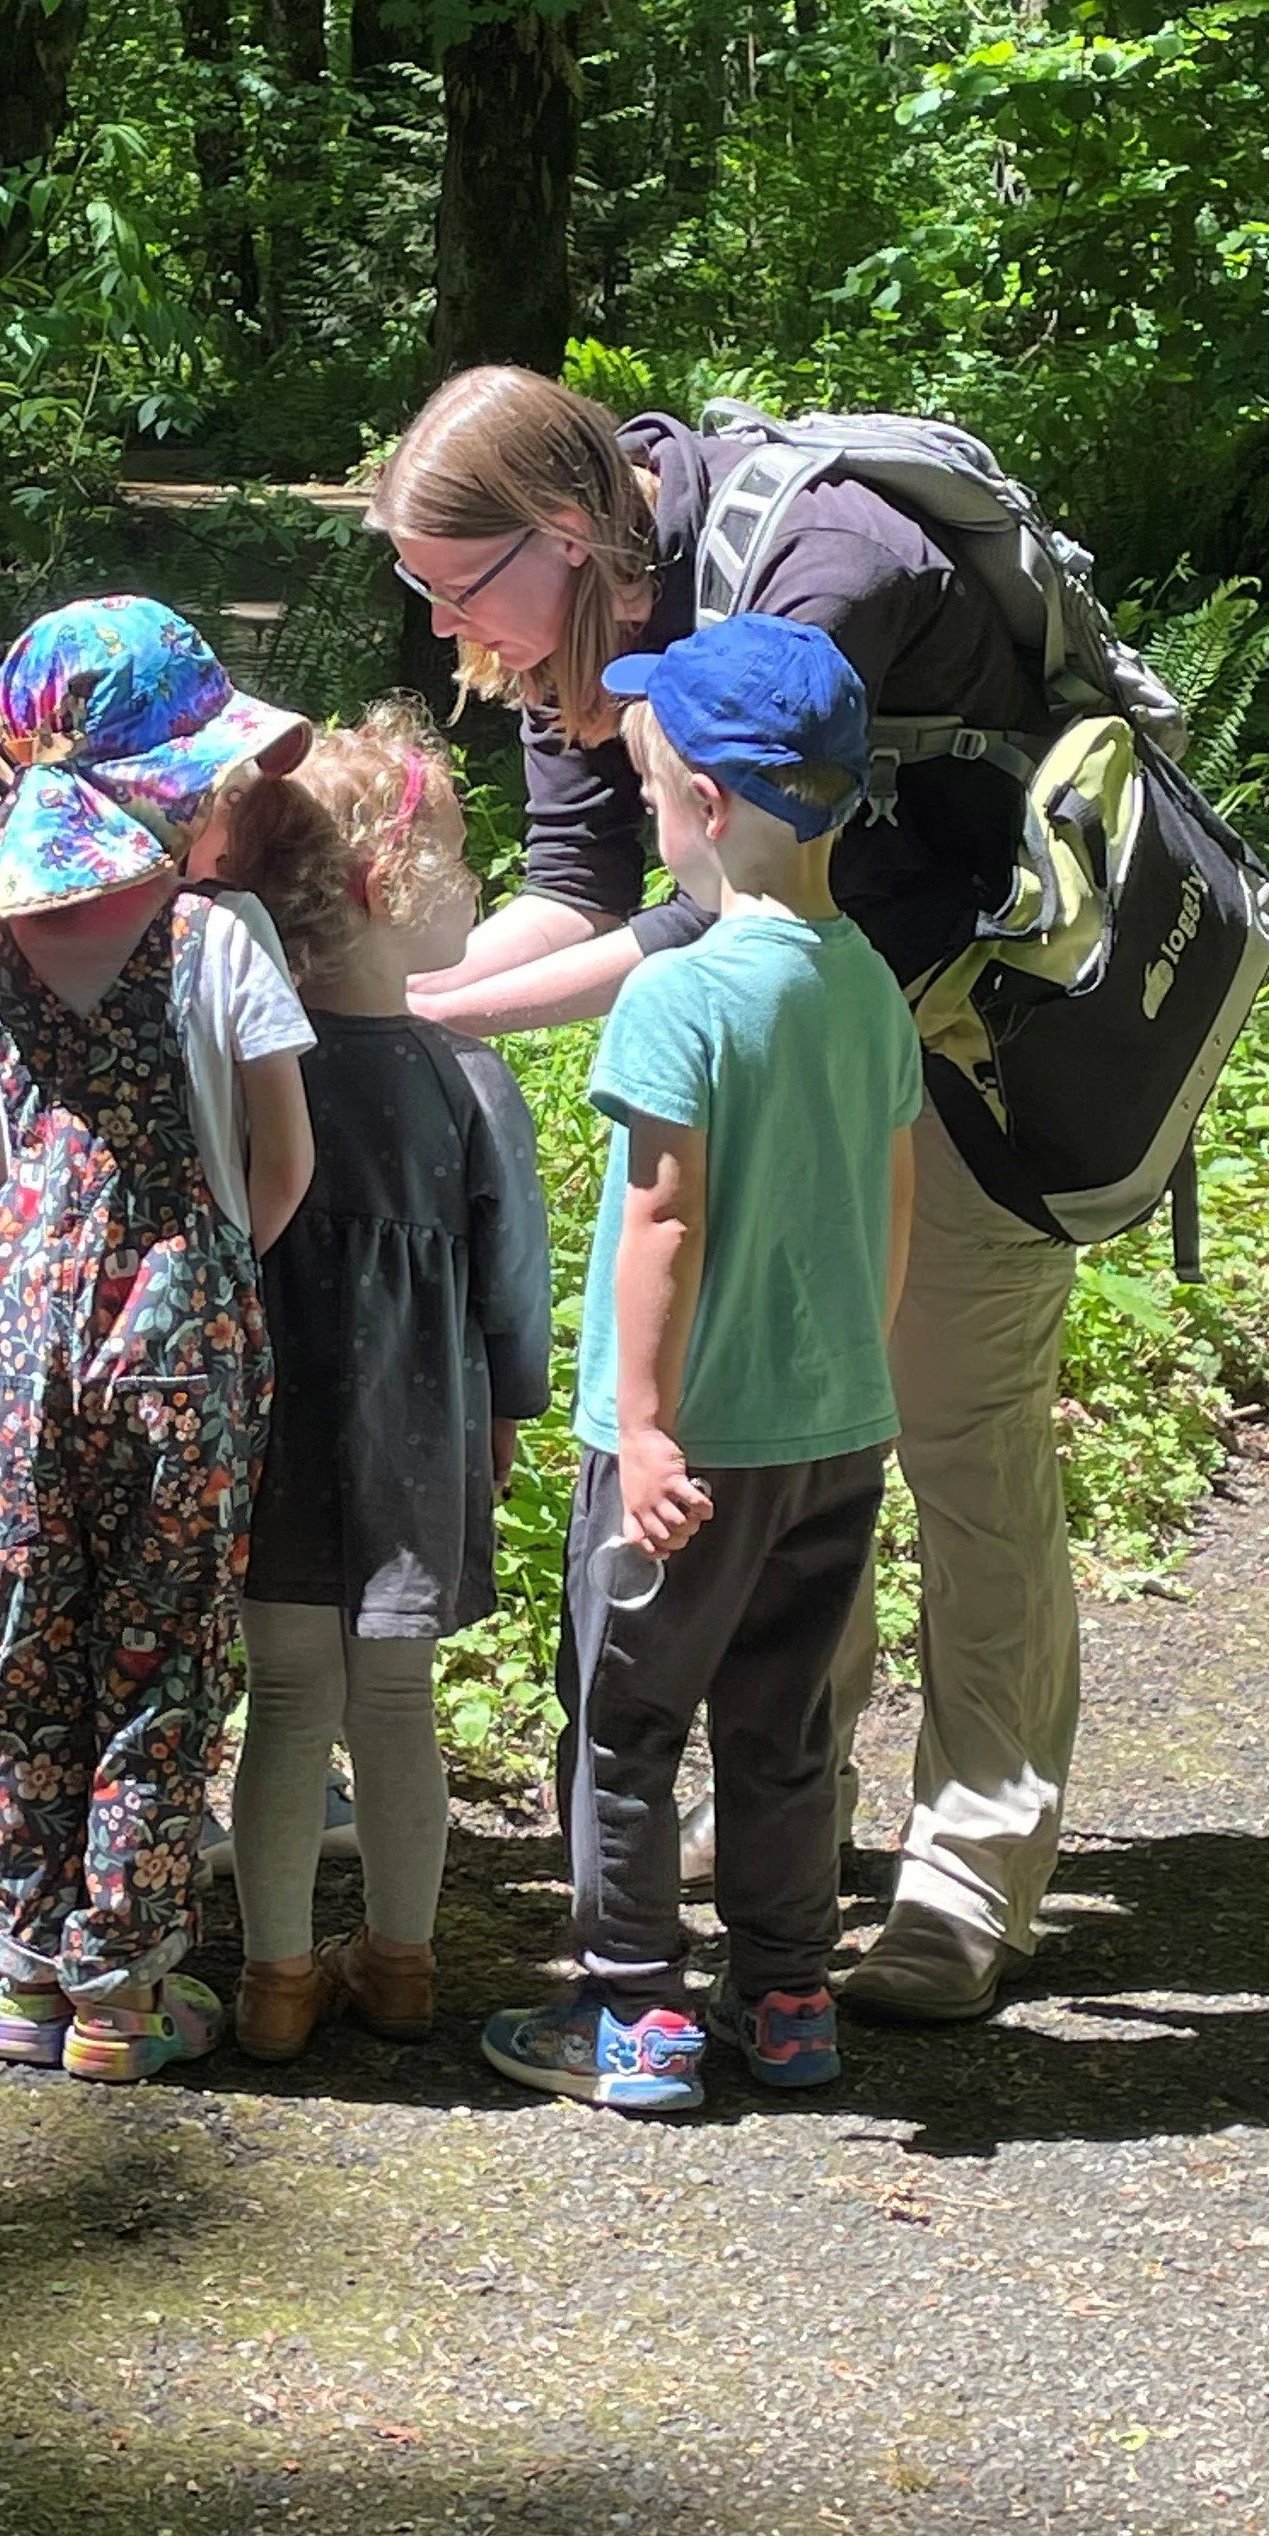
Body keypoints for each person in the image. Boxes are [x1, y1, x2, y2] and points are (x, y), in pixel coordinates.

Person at [380, 366, 1078, 2024]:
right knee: (783, 1447)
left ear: (564, 531)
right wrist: (379, 1009)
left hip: (953, 1062)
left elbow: (724, 904)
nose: (439, 632)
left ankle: (971, 1876)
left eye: (451, 590)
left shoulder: (817, 567)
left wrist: (428, 1019)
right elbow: (576, 891)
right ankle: (796, 1845)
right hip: (780, 1078)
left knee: (955, 1443)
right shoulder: (573, 634)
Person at [480, 616, 919, 2112]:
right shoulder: (866, 980)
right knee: (784, 1725)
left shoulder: (680, 991)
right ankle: (790, 1997)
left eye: (655, 791)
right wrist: (861, 1373)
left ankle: (634, 2015)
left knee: (626, 1722)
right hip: (834, 1429)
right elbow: (895, 1192)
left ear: (707, 814)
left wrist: (649, 1428)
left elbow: (662, 1213)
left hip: (684, 1450)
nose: (652, 818)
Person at [0, 596, 317, 2084]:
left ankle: (20, 1975)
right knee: (163, 1661)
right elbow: (280, 1168)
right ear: (157, 785)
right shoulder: (219, 937)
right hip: (184, 1335)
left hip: (23, 1338)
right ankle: (122, 1996)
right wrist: (198, 1281)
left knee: (35, 1641)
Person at [209, 707, 552, 2061]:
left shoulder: (250, 1080)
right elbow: (509, 1276)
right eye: (458, 861)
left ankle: (278, 1979)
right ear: (382, 886)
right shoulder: (462, 1080)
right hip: (417, 1434)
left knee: (285, 1699)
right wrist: (510, 1412)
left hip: (275, 1437)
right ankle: (401, 1965)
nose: (473, 884)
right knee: (393, 1703)